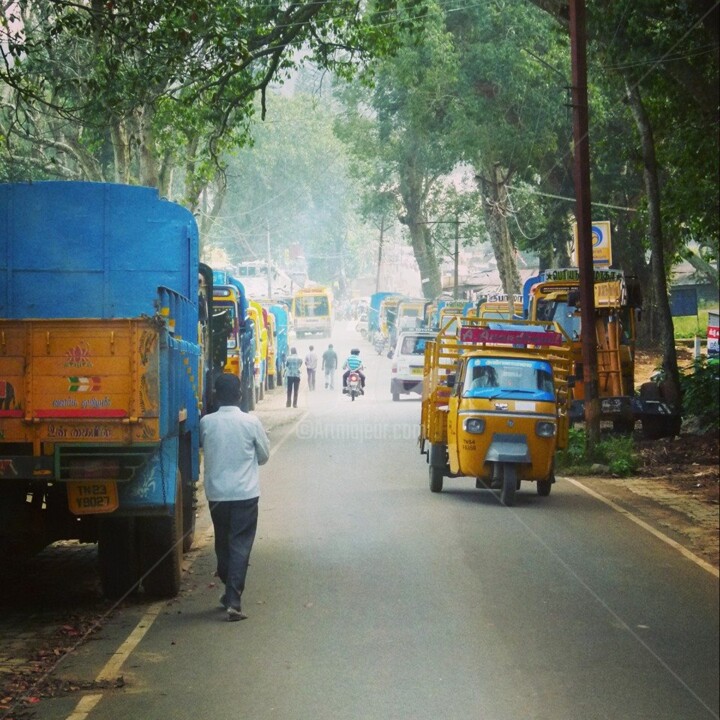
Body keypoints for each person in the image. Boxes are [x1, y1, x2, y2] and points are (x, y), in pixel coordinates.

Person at [200, 373, 270, 622]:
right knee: (240, 545)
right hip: (245, 494)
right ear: (240, 395)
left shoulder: (206, 423)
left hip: (217, 494)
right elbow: (263, 456)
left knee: (222, 543)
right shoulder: (251, 423)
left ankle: (229, 590)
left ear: (216, 396)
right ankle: (233, 599)